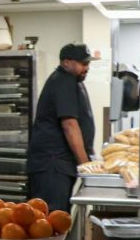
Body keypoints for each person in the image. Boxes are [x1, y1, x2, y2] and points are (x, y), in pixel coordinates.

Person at [27, 43, 95, 216]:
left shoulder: (73, 81)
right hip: (52, 165)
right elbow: (69, 126)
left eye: (88, 63)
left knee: (58, 216)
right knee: (49, 219)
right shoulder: (62, 81)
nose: (86, 67)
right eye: (82, 63)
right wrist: (86, 165)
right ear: (66, 63)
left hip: (60, 164)